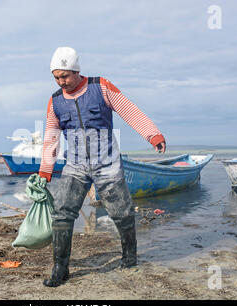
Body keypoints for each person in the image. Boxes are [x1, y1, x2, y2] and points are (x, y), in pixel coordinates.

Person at [39, 47, 166, 287]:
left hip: (106, 163)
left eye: (65, 76)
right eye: (56, 77)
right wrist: (46, 168)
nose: (61, 82)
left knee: (122, 213)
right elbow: (51, 134)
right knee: (62, 214)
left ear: (77, 71)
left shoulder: (101, 87)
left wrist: (153, 135)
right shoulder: (55, 101)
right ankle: (60, 268)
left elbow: (130, 111)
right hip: (75, 165)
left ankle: (129, 258)